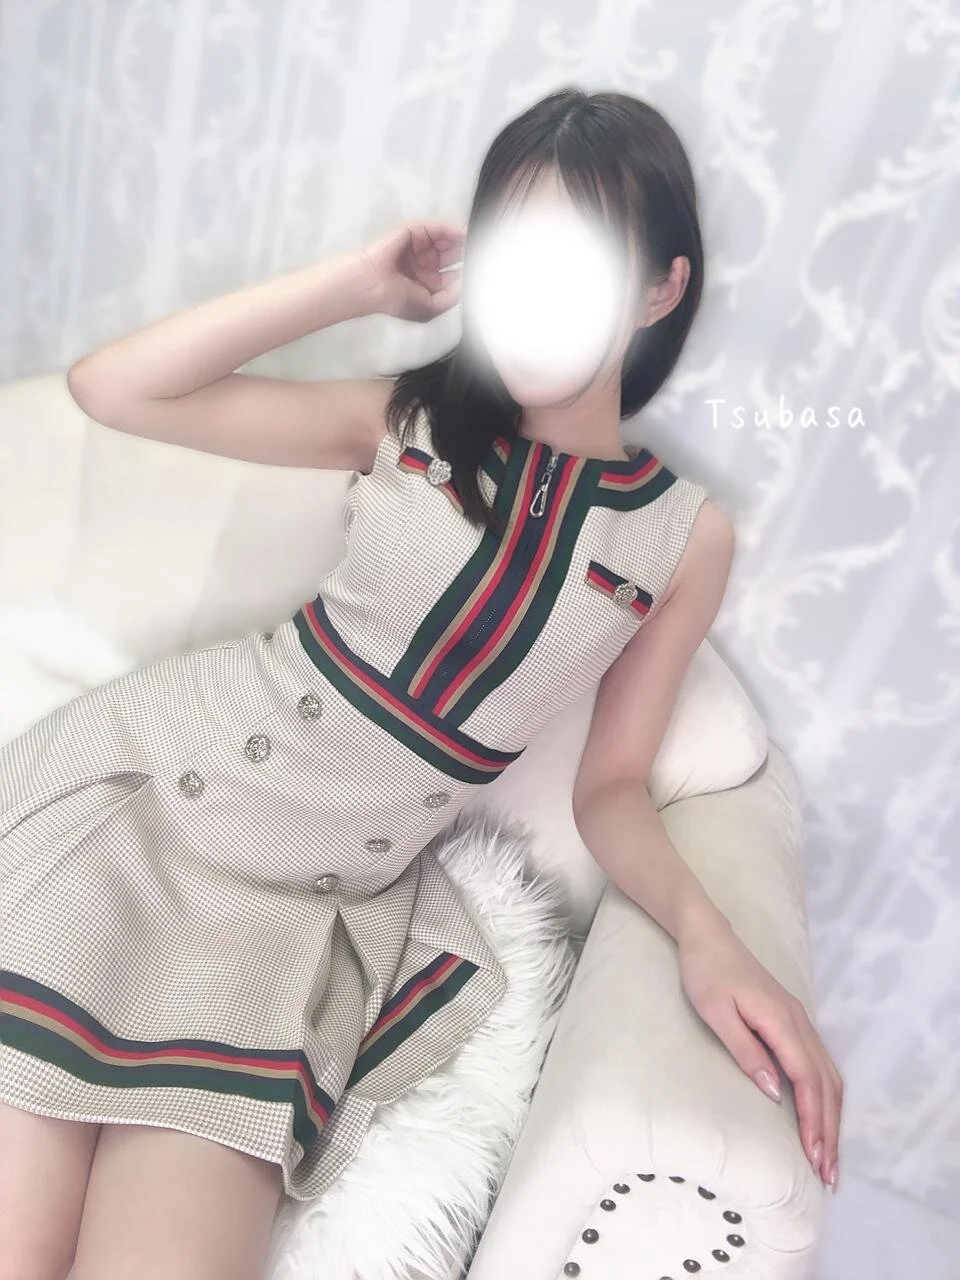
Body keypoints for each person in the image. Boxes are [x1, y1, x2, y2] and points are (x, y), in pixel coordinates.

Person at [0, 86, 842, 1279]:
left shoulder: (680, 538)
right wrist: (355, 286)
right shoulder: (411, 421)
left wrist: (713, 939)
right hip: (148, 809)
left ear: (660, 288)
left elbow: (611, 788)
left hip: (290, 924)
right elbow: (115, 389)